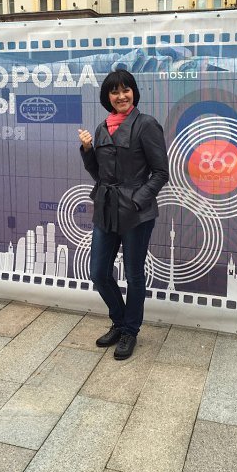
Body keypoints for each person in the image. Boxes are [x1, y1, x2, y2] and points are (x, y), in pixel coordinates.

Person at [78, 69, 169, 360]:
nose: (121, 96)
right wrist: (88, 149)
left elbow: (161, 172)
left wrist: (137, 201)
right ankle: (118, 322)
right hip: (106, 208)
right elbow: (99, 174)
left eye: (125, 90)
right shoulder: (102, 128)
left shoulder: (147, 125)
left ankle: (130, 330)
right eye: (114, 91)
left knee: (133, 275)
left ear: (133, 92)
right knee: (98, 273)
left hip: (136, 214)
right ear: (107, 97)